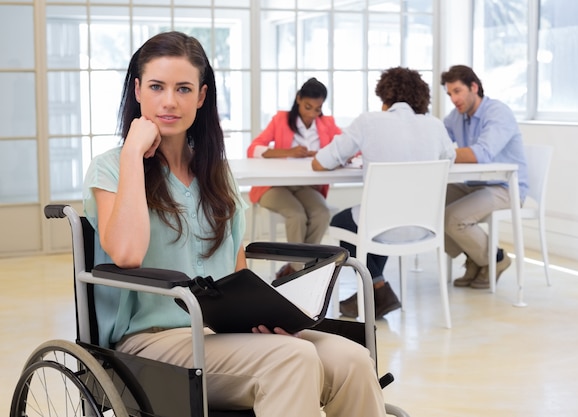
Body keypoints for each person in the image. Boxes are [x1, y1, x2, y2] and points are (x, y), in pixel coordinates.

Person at [82, 31, 386, 417]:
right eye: (157, 87)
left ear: (201, 97)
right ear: (138, 90)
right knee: (290, 359)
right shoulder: (111, 167)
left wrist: (263, 318)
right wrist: (132, 153)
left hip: (222, 334)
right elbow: (126, 254)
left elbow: (235, 264)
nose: (170, 101)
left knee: (352, 359)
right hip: (149, 343)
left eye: (183, 88)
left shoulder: (214, 173)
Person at [312, 67, 456, 319]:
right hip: (425, 227)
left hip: (383, 227)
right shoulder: (435, 125)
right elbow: (448, 161)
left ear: (384, 95)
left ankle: (377, 287)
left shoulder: (368, 121)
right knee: (375, 221)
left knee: (345, 222)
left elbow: (320, 162)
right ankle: (377, 292)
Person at [440, 64, 529, 289]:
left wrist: (444, 152)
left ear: (474, 87)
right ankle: (476, 258)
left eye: (457, 91)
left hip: (507, 187)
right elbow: (437, 138)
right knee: (429, 207)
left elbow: (481, 153)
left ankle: (496, 260)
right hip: (475, 184)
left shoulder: (497, 112)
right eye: (450, 94)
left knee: (453, 218)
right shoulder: (456, 117)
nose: (453, 98)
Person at [247, 78, 341, 279]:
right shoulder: (281, 120)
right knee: (297, 215)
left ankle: (296, 267)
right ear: (298, 99)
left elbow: (347, 148)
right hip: (274, 186)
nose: (312, 113)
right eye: (308, 106)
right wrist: (289, 151)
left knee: (321, 213)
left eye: (318, 108)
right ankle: (300, 275)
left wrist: (326, 155)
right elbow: (254, 149)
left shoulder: (327, 123)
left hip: (306, 186)